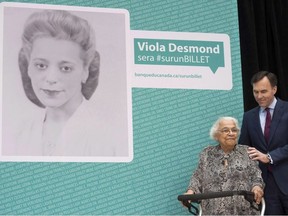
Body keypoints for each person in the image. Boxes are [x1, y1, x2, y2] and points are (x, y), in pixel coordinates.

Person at [15, 9, 115, 156]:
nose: (51, 78)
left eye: (65, 68)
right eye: (41, 65)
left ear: (85, 72)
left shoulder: (102, 136)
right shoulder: (23, 132)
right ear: (29, 66)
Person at [182, 117, 264, 215]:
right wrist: (190, 192)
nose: (231, 133)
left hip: (243, 210)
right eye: (226, 130)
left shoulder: (247, 152)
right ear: (216, 135)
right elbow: (198, 176)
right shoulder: (207, 153)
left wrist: (257, 187)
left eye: (234, 130)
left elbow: (256, 175)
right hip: (212, 211)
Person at [239, 71, 288, 214]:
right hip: (265, 186)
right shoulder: (249, 117)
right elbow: (244, 148)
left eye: (263, 91)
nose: (259, 96)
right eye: (255, 92)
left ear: (274, 89)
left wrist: (269, 157)